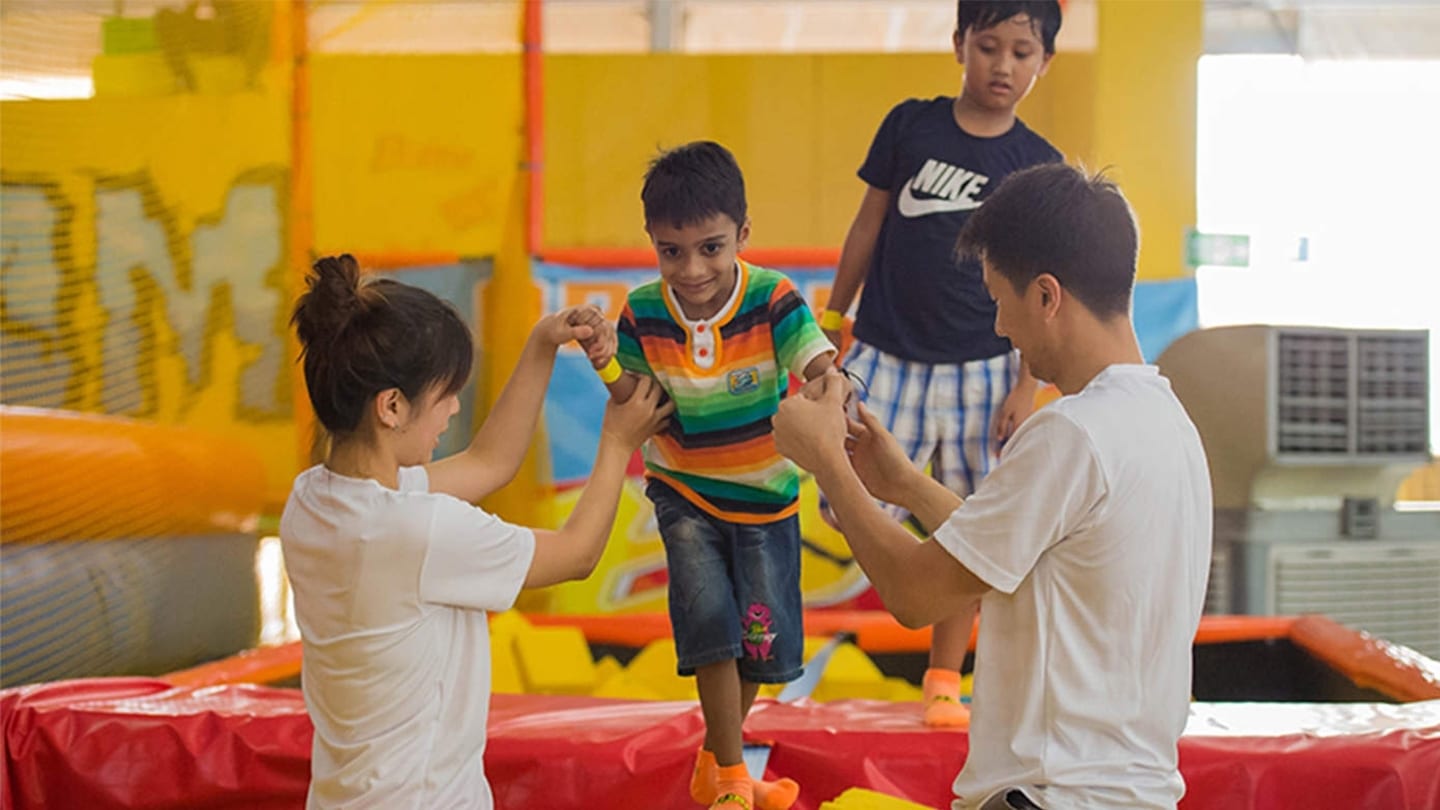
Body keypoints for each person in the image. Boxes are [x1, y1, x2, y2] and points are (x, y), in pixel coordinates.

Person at [774, 164, 1212, 810]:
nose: (1001, 329)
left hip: (1054, 794)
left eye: (999, 302)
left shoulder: (1072, 431)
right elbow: (1019, 560)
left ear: (1045, 296)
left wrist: (827, 467)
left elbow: (917, 593)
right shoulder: (1168, 425)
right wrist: (906, 484)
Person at [280, 254, 672, 809]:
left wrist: (542, 344)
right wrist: (617, 446)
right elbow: (576, 554)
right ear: (391, 406)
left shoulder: (315, 501)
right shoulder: (419, 532)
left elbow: (490, 462)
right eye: (446, 395)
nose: (454, 409)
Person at [817, 0, 1065, 728]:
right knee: (844, 499)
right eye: (989, 47)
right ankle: (908, 592)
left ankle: (944, 679)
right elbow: (868, 222)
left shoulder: (1035, 164)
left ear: (1044, 63)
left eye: (1022, 53)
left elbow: (1038, 280)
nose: (1004, 66)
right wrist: (835, 320)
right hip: (889, 352)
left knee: (972, 530)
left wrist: (1027, 382)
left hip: (983, 370)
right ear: (960, 44)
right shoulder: (911, 126)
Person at [587, 141, 835, 810]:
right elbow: (634, 402)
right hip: (685, 490)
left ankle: (715, 766)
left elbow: (816, 363)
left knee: (760, 637)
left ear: (742, 236)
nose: (692, 269)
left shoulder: (773, 298)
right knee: (710, 623)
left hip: (767, 496)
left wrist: (833, 393)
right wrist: (606, 360)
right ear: (652, 242)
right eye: (672, 251)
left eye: (710, 248)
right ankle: (730, 777)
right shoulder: (642, 311)